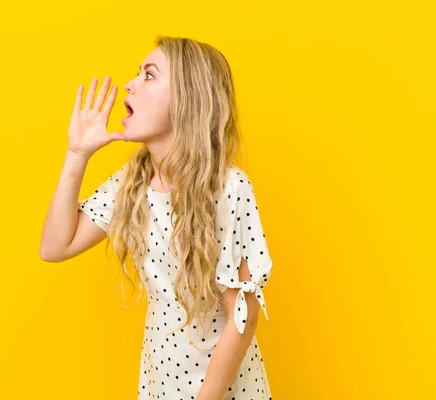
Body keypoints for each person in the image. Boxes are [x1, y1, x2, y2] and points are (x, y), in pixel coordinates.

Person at [40, 35, 274, 400]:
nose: (130, 85)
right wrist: (77, 153)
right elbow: (54, 247)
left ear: (187, 98)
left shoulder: (228, 188)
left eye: (149, 75)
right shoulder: (131, 185)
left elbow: (243, 319)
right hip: (160, 386)